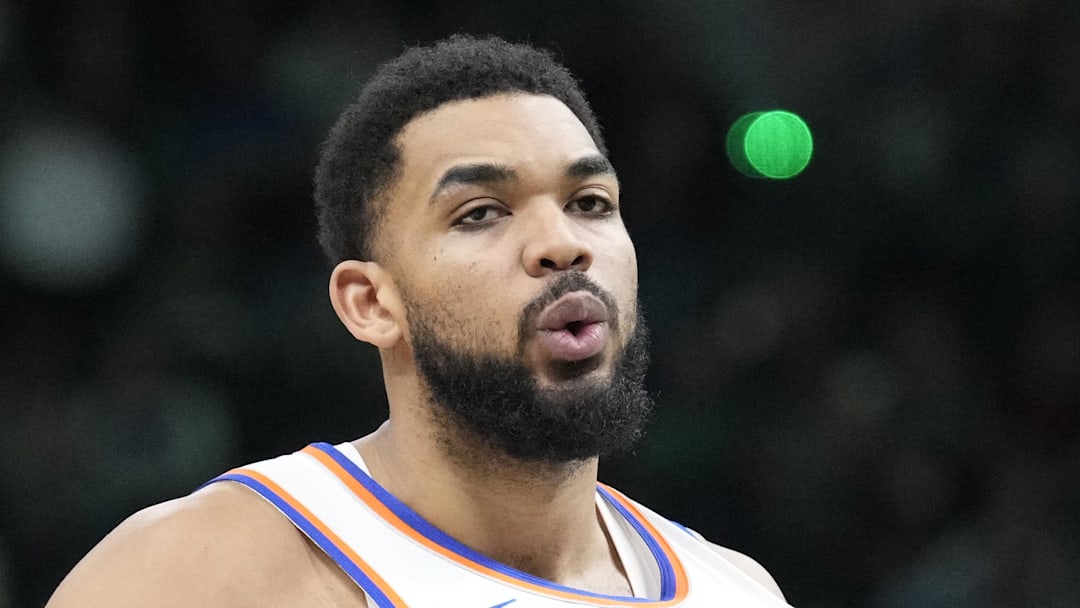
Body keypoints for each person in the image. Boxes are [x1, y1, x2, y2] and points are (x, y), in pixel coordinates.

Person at [46, 35, 791, 607]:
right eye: (481, 213)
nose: (564, 243)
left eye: (589, 203)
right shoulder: (202, 572)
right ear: (371, 303)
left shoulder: (736, 589)